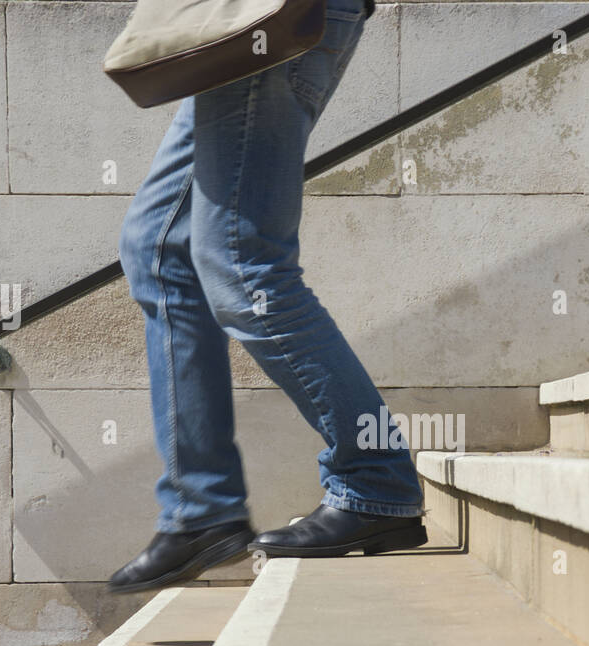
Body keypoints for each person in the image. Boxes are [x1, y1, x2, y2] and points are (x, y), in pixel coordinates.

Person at [109, 0, 424, 594]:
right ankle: (200, 509)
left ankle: (376, 480)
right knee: (157, 246)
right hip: (249, 21)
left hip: (272, 15)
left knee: (243, 261)